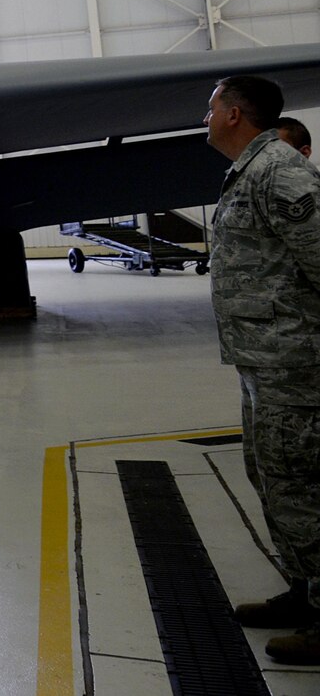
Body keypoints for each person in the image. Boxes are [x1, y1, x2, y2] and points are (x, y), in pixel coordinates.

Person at [203, 74, 320, 665]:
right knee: (273, 479)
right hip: (263, 361)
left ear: (234, 114)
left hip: (295, 364)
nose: (205, 117)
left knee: (301, 487)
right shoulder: (248, 170)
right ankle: (304, 594)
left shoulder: (280, 171)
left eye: (211, 107)